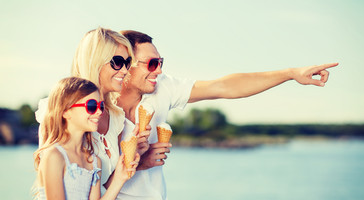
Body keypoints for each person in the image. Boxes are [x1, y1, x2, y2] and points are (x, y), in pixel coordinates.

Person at [116, 30, 339, 200]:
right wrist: (140, 163)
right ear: (126, 65)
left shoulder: (162, 87)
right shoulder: (96, 103)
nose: (159, 71)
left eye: (161, 63)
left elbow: (225, 86)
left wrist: (290, 74)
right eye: (152, 64)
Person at [35, 27, 150, 195]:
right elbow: (47, 182)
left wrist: (133, 157)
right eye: (118, 62)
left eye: (127, 63)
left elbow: (100, 185)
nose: (125, 71)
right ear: (95, 61)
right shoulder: (55, 108)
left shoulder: (117, 118)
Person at [33, 77, 139, 199]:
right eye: (92, 106)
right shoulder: (55, 156)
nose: (99, 112)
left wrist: (120, 178)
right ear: (66, 111)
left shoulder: (94, 161)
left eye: (101, 106)